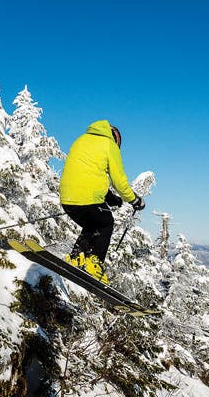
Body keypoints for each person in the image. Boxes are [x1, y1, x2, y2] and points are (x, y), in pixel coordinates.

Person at [58, 120, 145, 284]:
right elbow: (119, 182)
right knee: (105, 222)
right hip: (87, 198)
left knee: (93, 223)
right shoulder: (109, 145)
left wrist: (111, 198)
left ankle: (76, 257)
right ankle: (94, 263)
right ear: (115, 138)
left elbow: (87, 175)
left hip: (67, 199)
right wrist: (134, 200)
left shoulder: (81, 139)